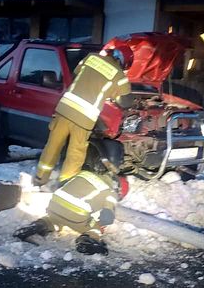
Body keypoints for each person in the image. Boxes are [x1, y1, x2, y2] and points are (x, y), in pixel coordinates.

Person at [34, 48, 132, 186]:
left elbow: (76, 74)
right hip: (83, 117)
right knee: (76, 152)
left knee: (53, 145)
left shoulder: (91, 57)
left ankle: (40, 178)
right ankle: (65, 184)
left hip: (64, 109)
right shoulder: (119, 76)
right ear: (123, 62)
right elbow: (126, 101)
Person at [16, 144, 129, 255]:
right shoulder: (110, 193)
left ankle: (40, 225)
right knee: (95, 227)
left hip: (54, 205)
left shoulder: (85, 174)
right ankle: (87, 240)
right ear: (118, 190)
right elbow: (107, 218)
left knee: (54, 220)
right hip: (76, 216)